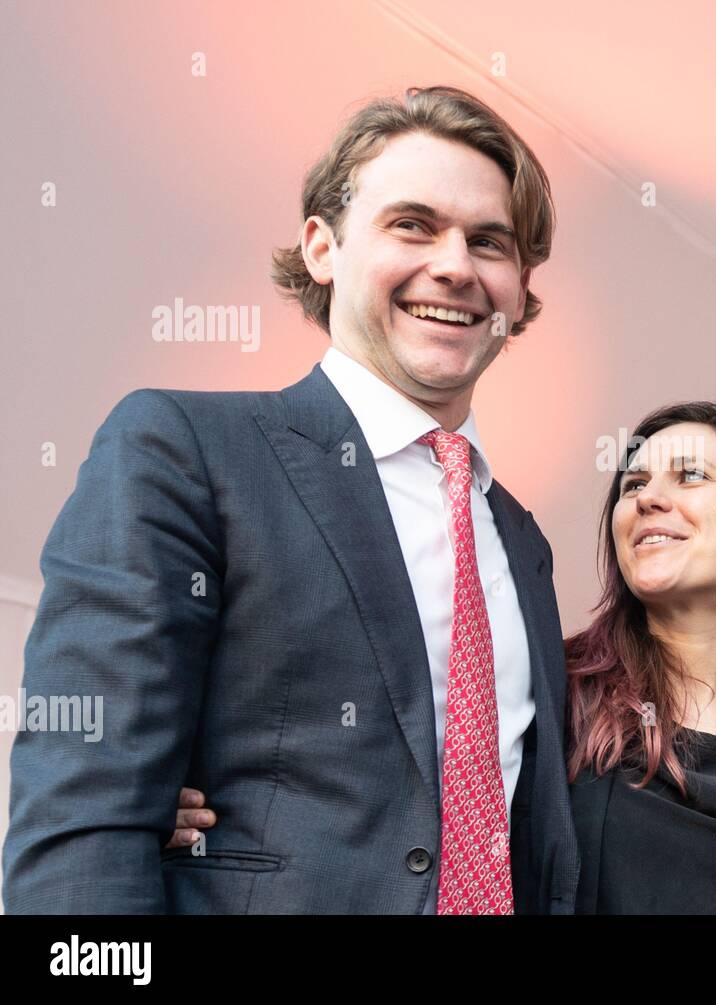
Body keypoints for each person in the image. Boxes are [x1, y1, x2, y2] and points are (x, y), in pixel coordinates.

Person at [4, 86, 577, 914]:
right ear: (323, 247)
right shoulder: (184, 449)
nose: (455, 265)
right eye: (412, 224)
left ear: (519, 290)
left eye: (489, 241)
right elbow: (80, 826)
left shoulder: (521, 540)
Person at [172, 401, 716, 913]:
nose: (647, 497)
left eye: (688, 476)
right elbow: (377, 782)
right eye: (631, 484)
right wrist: (201, 813)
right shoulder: (544, 687)